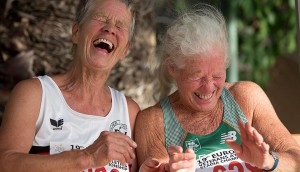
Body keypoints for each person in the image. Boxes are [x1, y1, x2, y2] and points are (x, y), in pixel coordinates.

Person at [135, 3, 300, 172]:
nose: (208, 88)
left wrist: (269, 161)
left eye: (217, 75)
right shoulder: (154, 121)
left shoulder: (247, 98)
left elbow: (296, 160)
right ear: (173, 68)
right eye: (197, 76)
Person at [0, 0, 139, 171]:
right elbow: (5, 163)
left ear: (125, 51)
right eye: (101, 19)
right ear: (76, 32)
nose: (110, 28)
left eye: (120, 25)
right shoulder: (35, 94)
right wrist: (86, 158)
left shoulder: (130, 112)